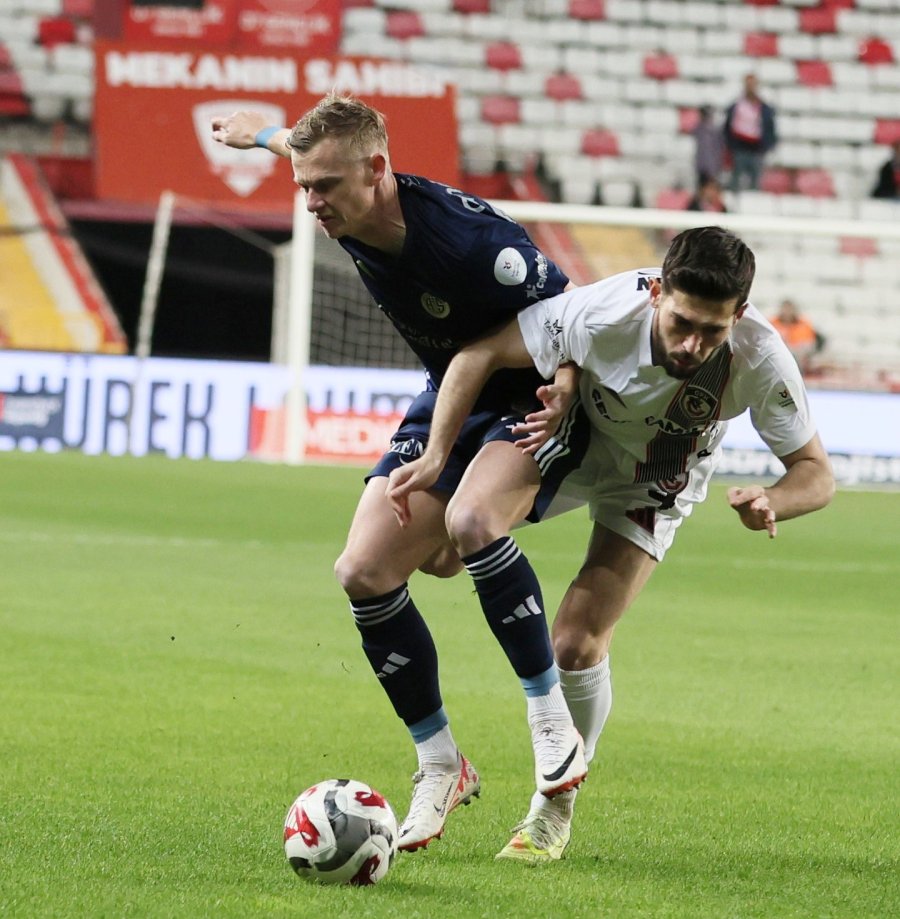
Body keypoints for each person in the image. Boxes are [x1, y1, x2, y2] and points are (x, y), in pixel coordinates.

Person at [211, 95, 588, 853]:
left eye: (325, 187)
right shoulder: (339, 186)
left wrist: (568, 390)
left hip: (533, 396)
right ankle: (441, 762)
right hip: (450, 390)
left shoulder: (476, 245)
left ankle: (551, 721)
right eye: (304, 184)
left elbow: (575, 316)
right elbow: (305, 151)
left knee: (471, 523)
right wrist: (259, 136)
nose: (310, 201)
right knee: (362, 570)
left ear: (377, 170)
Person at [386, 226, 835, 863]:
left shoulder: (760, 355)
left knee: (575, 641)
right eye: (682, 322)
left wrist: (773, 501)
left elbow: (815, 473)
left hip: (655, 481)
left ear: (738, 316)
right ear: (657, 292)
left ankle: (553, 809)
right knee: (441, 553)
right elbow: (479, 353)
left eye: (712, 331)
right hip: (578, 442)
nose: (692, 344)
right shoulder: (603, 310)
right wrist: (438, 454)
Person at [724, 74, 777, 193]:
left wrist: (768, 145)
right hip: (739, 148)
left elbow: (769, 127)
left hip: (756, 150)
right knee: (736, 180)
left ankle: (753, 201)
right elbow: (728, 127)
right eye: (748, 85)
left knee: (755, 182)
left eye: (752, 85)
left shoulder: (763, 108)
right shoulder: (737, 106)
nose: (750, 87)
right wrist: (731, 145)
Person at [769, 298, 824, 373]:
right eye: (785, 309)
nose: (787, 312)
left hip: (801, 355)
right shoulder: (772, 324)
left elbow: (811, 343)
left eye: (789, 309)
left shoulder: (804, 324)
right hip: (779, 355)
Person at [692, 104, 725, 187]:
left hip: (713, 164)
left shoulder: (715, 130)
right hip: (702, 164)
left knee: (711, 186)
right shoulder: (699, 128)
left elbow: (719, 147)